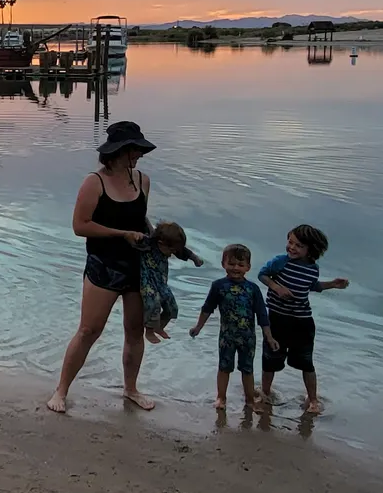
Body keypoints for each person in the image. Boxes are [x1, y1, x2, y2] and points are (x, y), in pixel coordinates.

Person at [47, 120, 161, 413]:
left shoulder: (142, 180)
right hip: (103, 266)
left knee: (134, 332)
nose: (139, 156)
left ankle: (131, 389)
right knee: (89, 330)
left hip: (137, 266)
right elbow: (79, 226)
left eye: (140, 151)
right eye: (134, 150)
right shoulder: (94, 182)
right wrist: (121, 235)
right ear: (119, 151)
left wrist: (159, 240)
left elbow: (140, 221)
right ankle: (60, 391)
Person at [256, 224, 349, 416]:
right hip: (276, 318)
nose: (291, 247)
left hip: (302, 321)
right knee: (270, 359)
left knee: (306, 362)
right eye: (290, 242)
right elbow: (262, 274)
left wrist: (332, 284)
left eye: (298, 245)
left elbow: (312, 286)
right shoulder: (281, 262)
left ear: (310, 250)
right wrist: (276, 287)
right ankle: (265, 392)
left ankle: (312, 399)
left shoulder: (312, 269)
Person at [189, 243, 272, 413]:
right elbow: (207, 308)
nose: (236, 268)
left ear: (248, 267)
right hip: (227, 336)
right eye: (232, 264)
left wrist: (269, 336)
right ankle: (221, 397)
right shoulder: (219, 286)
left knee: (247, 369)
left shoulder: (253, 289)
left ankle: (250, 400)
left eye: (241, 265)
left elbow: (262, 314)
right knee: (224, 367)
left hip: (248, 338)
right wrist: (198, 327)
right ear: (223, 264)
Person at [136, 221, 203, 345]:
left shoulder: (168, 246)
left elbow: (183, 251)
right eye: (172, 251)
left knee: (172, 307)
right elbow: (133, 238)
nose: (173, 254)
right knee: (154, 303)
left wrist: (195, 259)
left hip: (161, 283)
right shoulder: (148, 244)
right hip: (147, 283)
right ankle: (149, 331)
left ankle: (159, 327)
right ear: (161, 243)